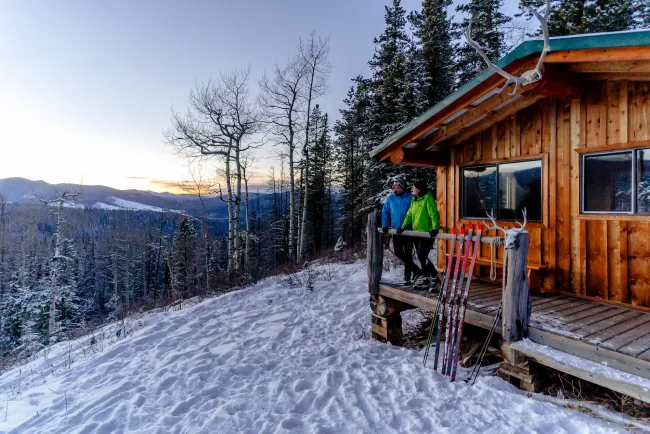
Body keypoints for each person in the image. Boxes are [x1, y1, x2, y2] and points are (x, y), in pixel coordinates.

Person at [396, 179, 440, 288]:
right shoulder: (414, 199)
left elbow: (433, 214)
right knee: (421, 257)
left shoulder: (428, 198)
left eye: (414, 187)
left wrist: (435, 227)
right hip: (416, 232)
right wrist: (403, 227)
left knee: (422, 255)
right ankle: (426, 279)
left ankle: (435, 277)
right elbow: (409, 214)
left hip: (426, 232)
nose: (412, 189)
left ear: (419, 189)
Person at [381, 176, 417, 284]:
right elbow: (385, 212)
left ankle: (407, 277)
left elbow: (416, 212)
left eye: (396, 186)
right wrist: (385, 225)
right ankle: (416, 270)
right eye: (393, 186)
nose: (393, 188)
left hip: (409, 230)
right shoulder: (390, 199)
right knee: (398, 252)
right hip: (396, 230)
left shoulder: (411, 197)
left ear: (402, 187)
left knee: (408, 253)